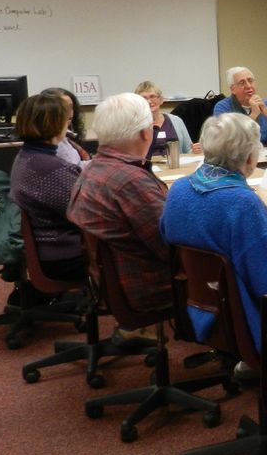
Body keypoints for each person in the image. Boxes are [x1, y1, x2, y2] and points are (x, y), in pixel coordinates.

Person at [160, 113, 267, 349]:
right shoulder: (242, 203)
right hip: (243, 319)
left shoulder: (179, 189)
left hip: (197, 307)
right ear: (250, 158)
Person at [67, 93, 173, 313]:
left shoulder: (91, 170)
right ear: (145, 133)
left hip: (110, 282)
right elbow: (172, 247)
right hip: (149, 287)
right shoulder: (131, 182)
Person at [9, 93, 87, 281]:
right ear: (54, 124)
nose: (68, 124)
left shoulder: (27, 156)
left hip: (45, 248)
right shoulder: (51, 168)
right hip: (63, 255)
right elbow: (88, 215)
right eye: (64, 120)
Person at [212, 66, 267, 146]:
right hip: (237, 157)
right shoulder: (223, 107)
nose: (248, 86)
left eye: (250, 81)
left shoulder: (266, 104)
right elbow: (226, 143)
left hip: (265, 156)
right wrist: (253, 115)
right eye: (242, 83)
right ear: (233, 89)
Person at [134, 80, 200, 156]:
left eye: (153, 97)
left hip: (175, 166)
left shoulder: (176, 121)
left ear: (161, 100)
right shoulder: (133, 125)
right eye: (144, 98)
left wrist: (195, 150)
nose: (149, 101)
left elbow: (188, 150)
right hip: (145, 167)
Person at [40, 87, 91, 167]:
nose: (69, 112)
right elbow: (74, 170)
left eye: (70, 107)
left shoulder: (65, 136)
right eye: (63, 108)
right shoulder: (52, 141)